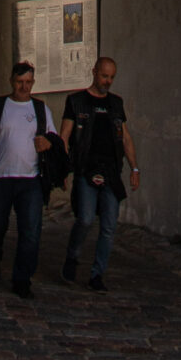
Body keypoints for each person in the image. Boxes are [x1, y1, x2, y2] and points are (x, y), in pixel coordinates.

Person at [0, 61, 59, 298]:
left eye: (28, 82)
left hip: (30, 180)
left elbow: (54, 140)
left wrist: (48, 143)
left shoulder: (41, 110)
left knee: (30, 231)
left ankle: (22, 279)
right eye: (20, 82)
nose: (24, 87)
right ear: (12, 81)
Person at [59, 56, 139, 289]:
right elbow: (65, 136)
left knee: (109, 225)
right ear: (94, 72)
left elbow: (125, 137)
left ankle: (97, 275)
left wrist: (134, 167)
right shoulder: (77, 101)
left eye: (112, 77)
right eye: (104, 76)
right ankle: (72, 257)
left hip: (111, 172)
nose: (108, 81)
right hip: (86, 169)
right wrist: (64, 168)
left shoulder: (116, 104)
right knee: (84, 219)